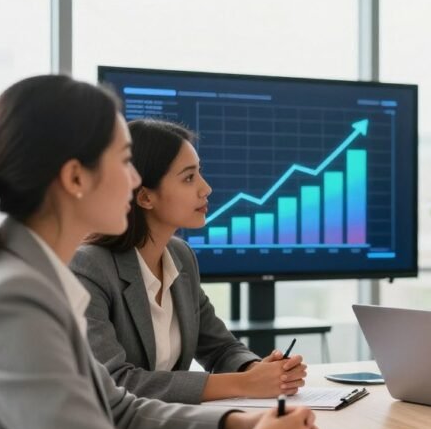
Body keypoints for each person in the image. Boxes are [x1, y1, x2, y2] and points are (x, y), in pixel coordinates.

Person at [0, 75, 318, 429]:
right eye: (125, 161)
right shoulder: (15, 301)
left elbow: (119, 410)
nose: (133, 181)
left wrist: (237, 424)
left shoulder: (37, 281)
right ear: (74, 177)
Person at [71, 119, 306, 404]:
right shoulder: (88, 267)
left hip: (169, 425)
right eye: (188, 178)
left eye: (200, 173)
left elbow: (220, 348)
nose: (205, 188)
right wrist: (244, 383)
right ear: (145, 196)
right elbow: (115, 382)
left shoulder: (180, 256)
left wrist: (256, 369)